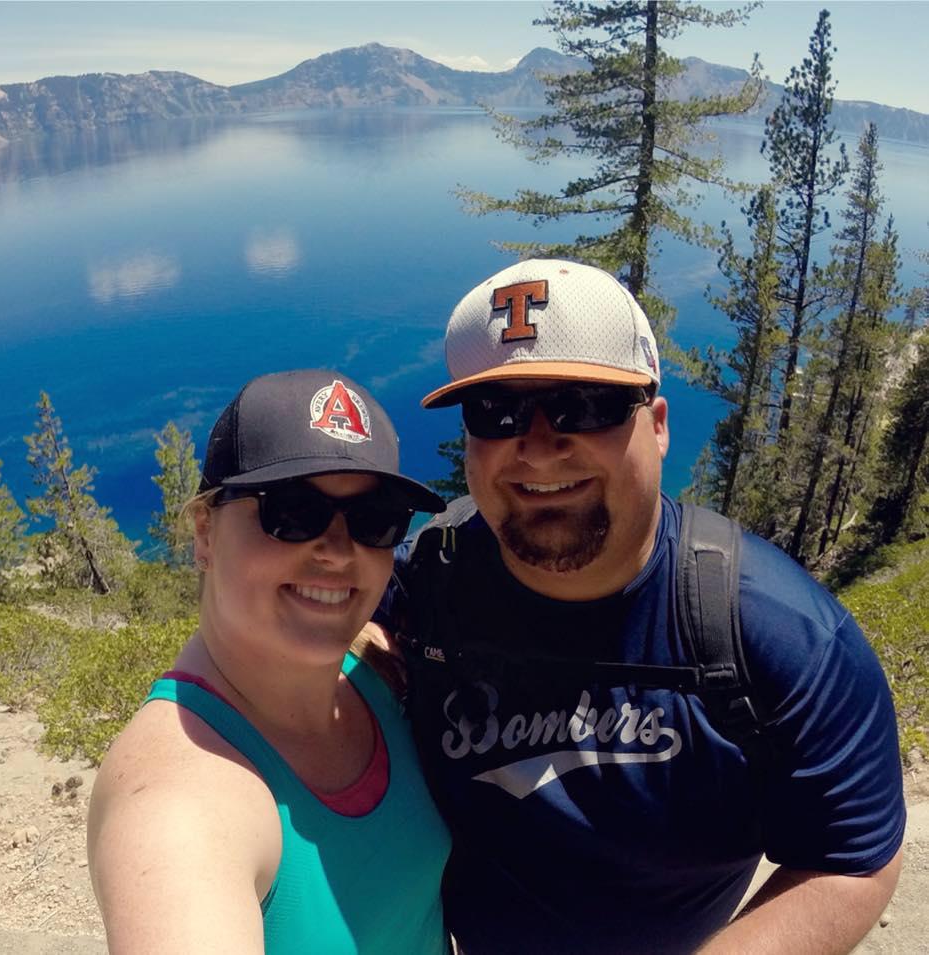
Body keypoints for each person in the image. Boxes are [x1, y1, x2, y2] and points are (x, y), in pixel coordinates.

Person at [377, 259, 906, 955]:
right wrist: (353, 648)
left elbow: (851, 854)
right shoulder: (418, 588)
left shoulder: (780, 637)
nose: (537, 446)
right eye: (496, 410)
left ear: (657, 425)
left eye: (584, 404)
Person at [87, 369, 451, 955]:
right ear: (205, 532)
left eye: (374, 517)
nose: (336, 550)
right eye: (291, 512)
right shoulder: (173, 807)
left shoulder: (376, 674)